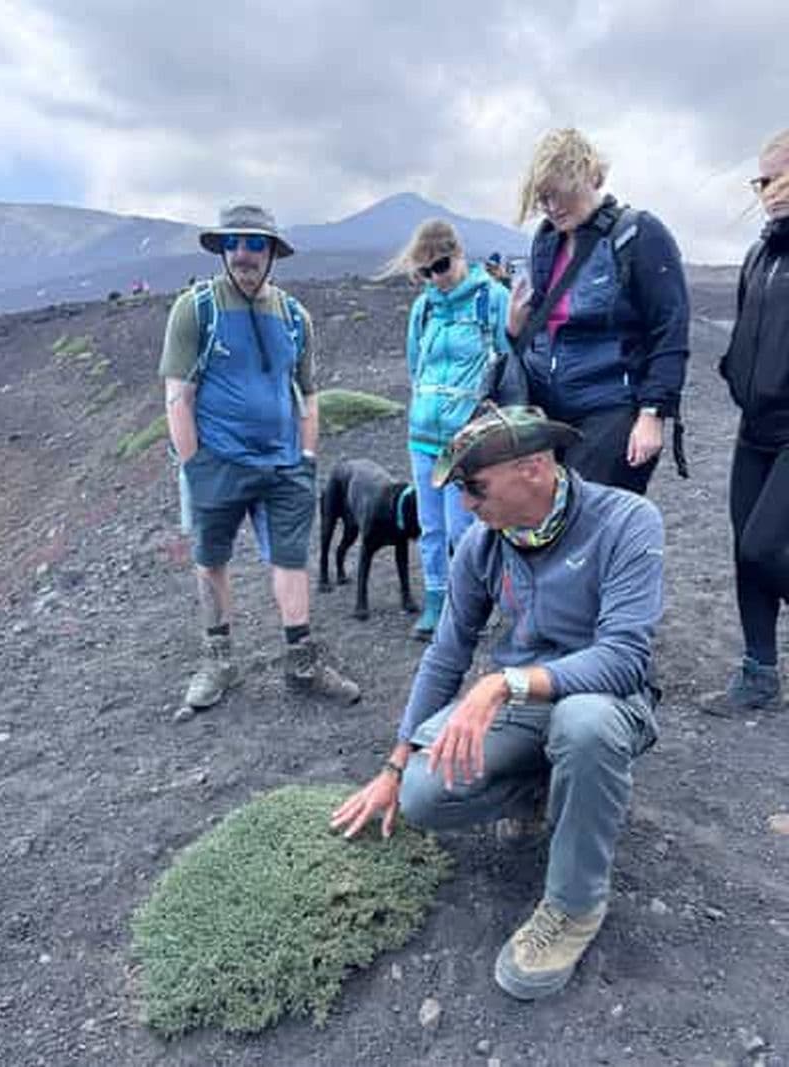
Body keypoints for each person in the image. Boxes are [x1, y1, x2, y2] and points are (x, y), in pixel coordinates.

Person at [331, 405, 663, 1000]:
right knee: (422, 793)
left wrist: (502, 684)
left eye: (474, 487)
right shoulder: (483, 546)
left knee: (584, 727)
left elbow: (623, 659)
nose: (464, 504)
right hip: (528, 704)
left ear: (534, 469)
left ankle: (575, 904)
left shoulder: (626, 521)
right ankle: (554, 791)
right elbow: (445, 657)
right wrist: (394, 763)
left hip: (609, 701)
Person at [159, 203, 360, 715]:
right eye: (233, 243)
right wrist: (195, 463)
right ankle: (219, 661)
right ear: (223, 250)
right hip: (217, 462)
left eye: (254, 244)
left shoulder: (295, 317)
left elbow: (308, 393)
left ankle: (302, 662)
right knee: (211, 558)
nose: (243, 254)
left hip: (285, 465)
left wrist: (308, 454)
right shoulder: (196, 308)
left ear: (273, 251)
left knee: (290, 559)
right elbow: (177, 394)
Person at [507, 127, 690, 495]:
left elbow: (669, 329)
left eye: (562, 194)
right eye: (544, 198)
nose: (553, 207)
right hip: (544, 410)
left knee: (587, 524)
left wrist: (652, 414)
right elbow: (542, 328)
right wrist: (514, 330)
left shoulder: (638, 234)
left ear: (593, 177)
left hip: (609, 407)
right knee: (539, 527)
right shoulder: (546, 242)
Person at [384, 219, 526, 639]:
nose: (435, 278)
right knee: (431, 526)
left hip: (468, 440)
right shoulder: (423, 308)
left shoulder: (493, 300)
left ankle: (472, 604)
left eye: (441, 266)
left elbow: (509, 362)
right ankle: (435, 599)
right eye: (425, 272)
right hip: (423, 436)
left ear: (460, 255)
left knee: (468, 526)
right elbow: (416, 365)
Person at [711, 129, 789, 714]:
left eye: (782, 176)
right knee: (745, 548)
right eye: (763, 179)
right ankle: (759, 672)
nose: (770, 190)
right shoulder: (760, 253)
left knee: (765, 547)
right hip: (753, 426)